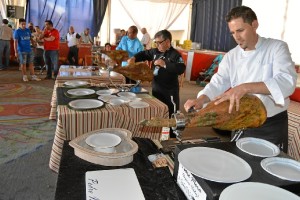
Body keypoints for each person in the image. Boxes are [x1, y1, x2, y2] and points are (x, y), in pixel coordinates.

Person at [184, 6, 297, 153]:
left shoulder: (276, 48)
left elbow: (287, 83)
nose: (236, 37)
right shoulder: (232, 56)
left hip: (269, 125)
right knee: (241, 164)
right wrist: (202, 99)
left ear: (254, 25)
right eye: (232, 33)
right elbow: (219, 82)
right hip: (240, 120)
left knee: (267, 170)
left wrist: (245, 87)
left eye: (240, 30)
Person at [127, 29, 186, 138]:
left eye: (159, 42)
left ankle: (173, 137)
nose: (157, 45)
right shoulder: (155, 52)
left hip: (170, 92)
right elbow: (144, 53)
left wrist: (165, 64)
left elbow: (181, 68)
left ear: (167, 42)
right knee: (158, 111)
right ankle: (159, 135)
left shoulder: (175, 54)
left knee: (171, 114)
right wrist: (134, 58)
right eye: (156, 42)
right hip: (156, 89)